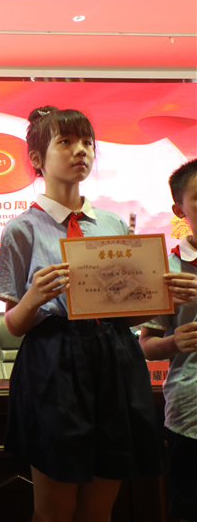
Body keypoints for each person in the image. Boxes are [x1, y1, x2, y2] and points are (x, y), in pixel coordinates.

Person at [0, 106, 197, 522]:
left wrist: (162, 300)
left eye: (86, 142)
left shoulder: (112, 224)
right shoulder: (22, 229)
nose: (80, 151)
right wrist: (34, 298)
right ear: (37, 158)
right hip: (53, 362)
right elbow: (12, 326)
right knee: (54, 508)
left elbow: (128, 315)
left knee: (101, 506)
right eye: (65, 142)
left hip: (114, 358)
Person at [139, 158, 197, 522]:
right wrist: (174, 343)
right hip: (189, 414)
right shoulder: (167, 268)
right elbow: (146, 345)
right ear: (180, 209)